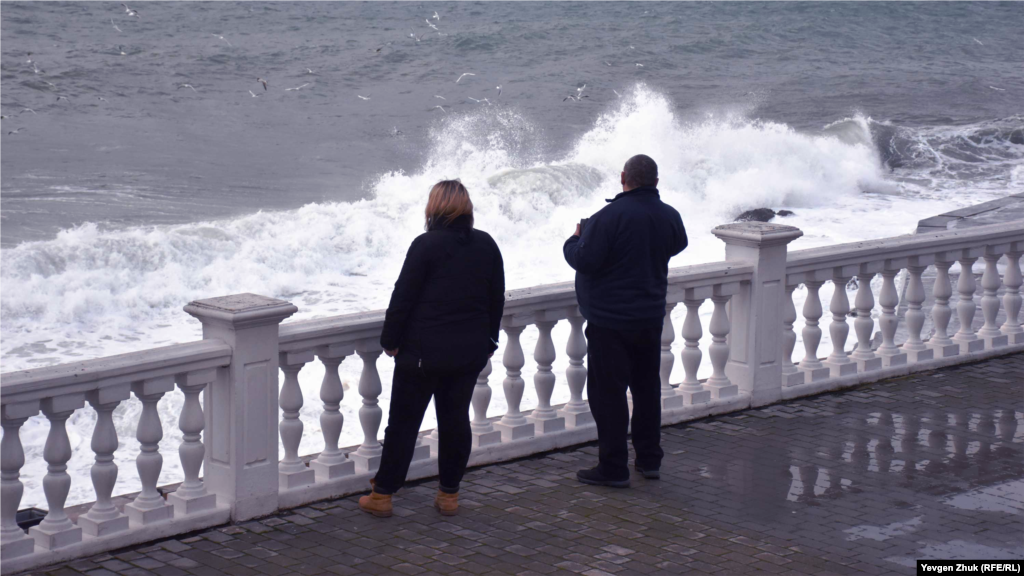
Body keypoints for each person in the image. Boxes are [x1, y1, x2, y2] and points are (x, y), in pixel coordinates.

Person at [359, 180, 505, 518]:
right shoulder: (486, 244)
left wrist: (389, 342)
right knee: (455, 422)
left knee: (403, 425)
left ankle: (382, 495)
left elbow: (403, 297)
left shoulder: (425, 245)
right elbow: (495, 297)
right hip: (468, 354)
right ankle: (448, 495)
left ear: (434, 208)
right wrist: (489, 341)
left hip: (423, 355)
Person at [563, 154, 688, 488]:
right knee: (647, 390)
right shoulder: (669, 215)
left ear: (623, 178)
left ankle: (613, 467)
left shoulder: (608, 217)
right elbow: (679, 243)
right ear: (656, 182)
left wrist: (573, 240)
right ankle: (649, 459)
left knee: (609, 394)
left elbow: (585, 260)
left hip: (610, 321)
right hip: (649, 316)